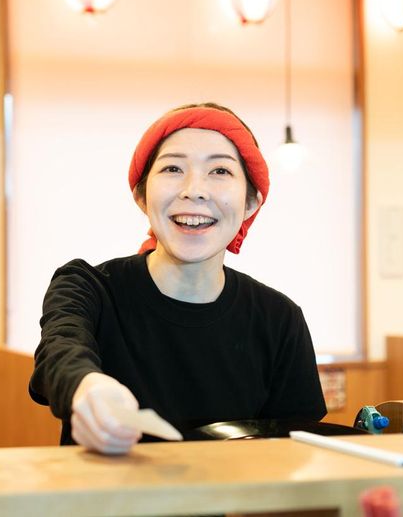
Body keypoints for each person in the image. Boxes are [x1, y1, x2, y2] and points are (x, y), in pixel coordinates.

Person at [28, 102, 327, 455]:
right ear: (141, 196)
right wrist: (87, 387)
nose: (194, 190)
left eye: (220, 170)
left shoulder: (279, 319)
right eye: (173, 168)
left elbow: (293, 456)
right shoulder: (88, 287)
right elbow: (60, 350)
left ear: (251, 203)